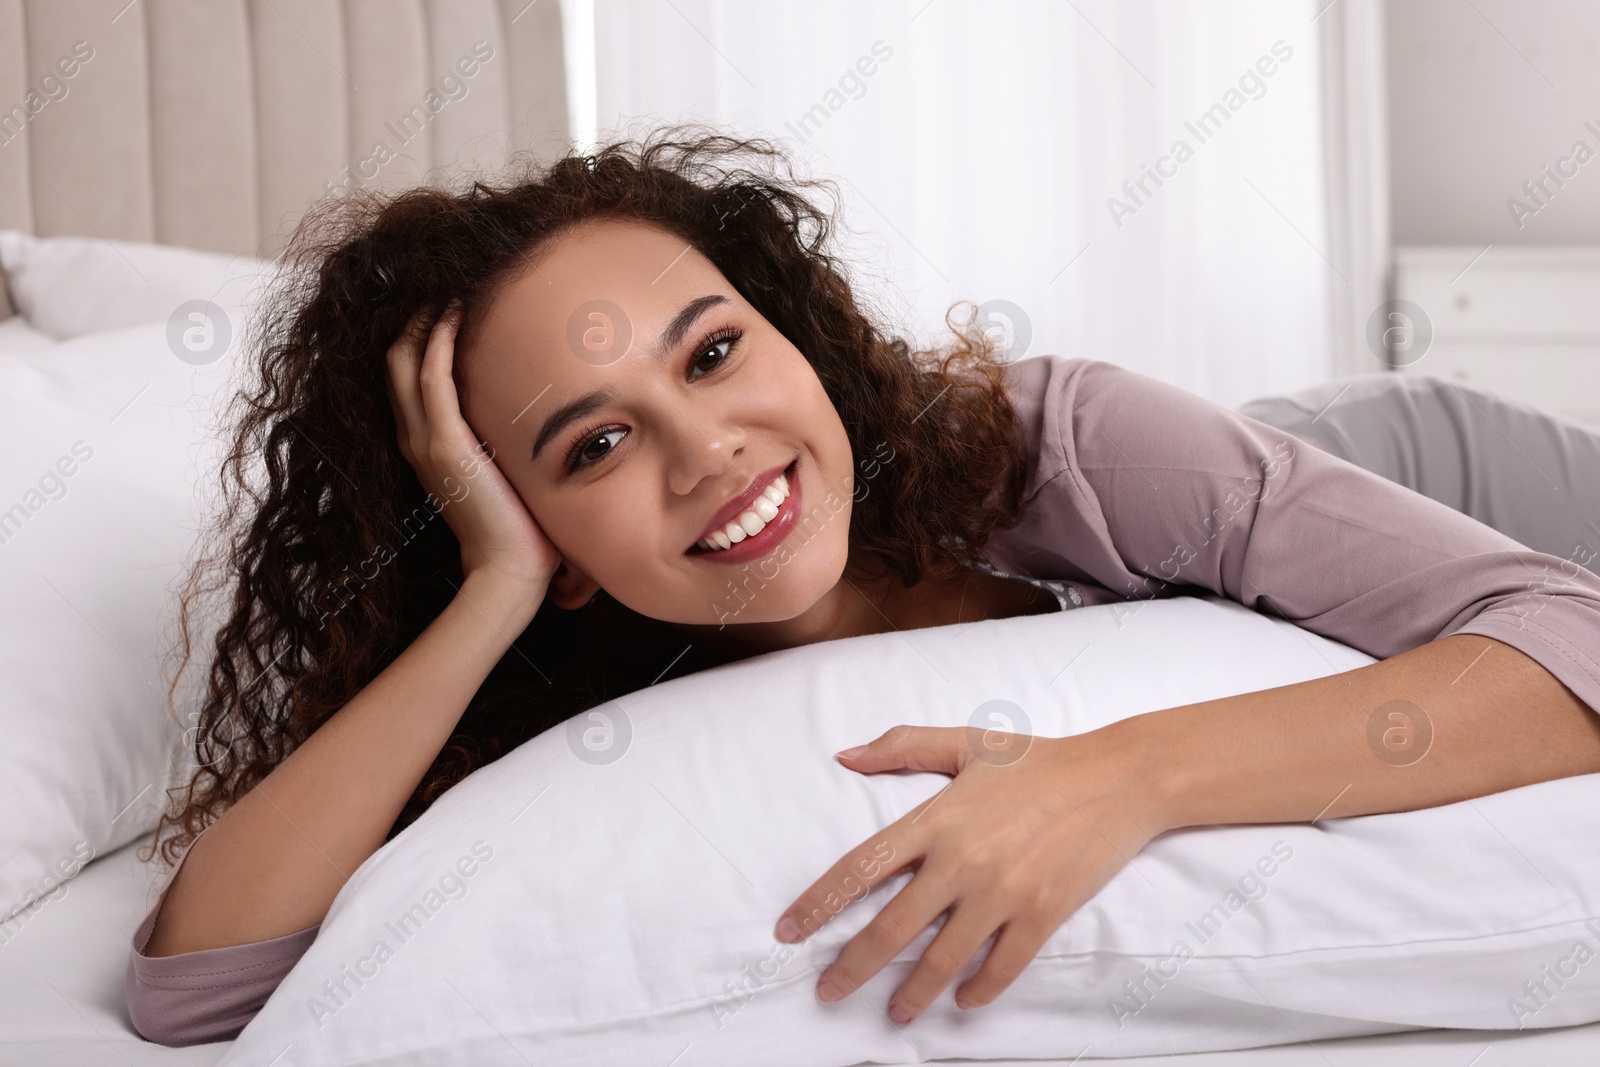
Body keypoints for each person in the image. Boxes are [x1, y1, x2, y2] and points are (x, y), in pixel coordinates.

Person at [125, 130, 1600, 1046]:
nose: (710, 452)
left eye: (712, 352)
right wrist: (495, 589)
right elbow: (199, 994)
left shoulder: (1060, 448)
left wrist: (1122, 780)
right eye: (596, 444)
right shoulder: (595, 686)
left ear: (796, 339)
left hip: (1429, 464)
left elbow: (1569, 630)